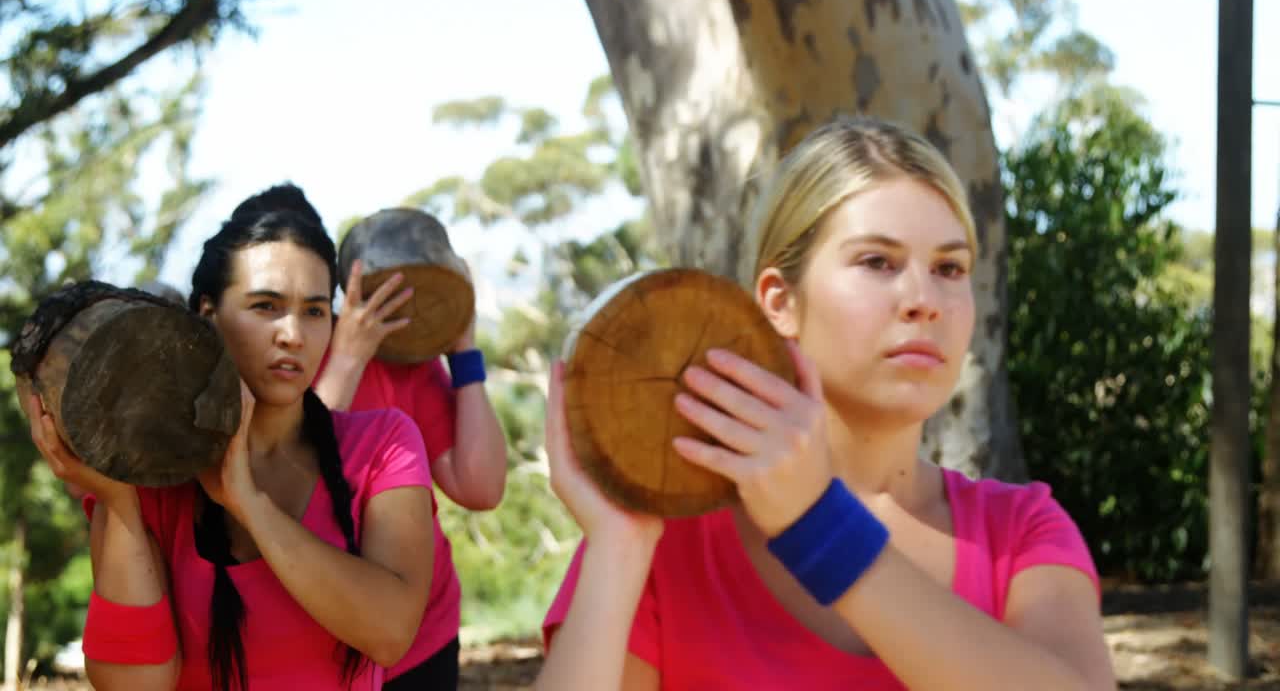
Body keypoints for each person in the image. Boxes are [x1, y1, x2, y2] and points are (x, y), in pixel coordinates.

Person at [536, 118, 1117, 690]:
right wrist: (618, 548)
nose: (923, 300)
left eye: (949, 268)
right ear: (779, 301)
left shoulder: (1021, 533)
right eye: (877, 262)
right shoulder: (666, 541)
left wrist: (817, 526)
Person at [23, 184, 435, 690]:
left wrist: (249, 503)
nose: (293, 334)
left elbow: (390, 633)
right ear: (207, 316)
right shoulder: (152, 475)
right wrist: (118, 503)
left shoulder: (383, 444)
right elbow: (135, 686)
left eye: (314, 310)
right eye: (266, 306)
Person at [312, 207, 508, 689]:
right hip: (322, 641)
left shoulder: (411, 368)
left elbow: (480, 486)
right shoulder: (296, 356)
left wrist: (462, 349)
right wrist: (347, 359)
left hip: (424, 637)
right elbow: (292, 472)